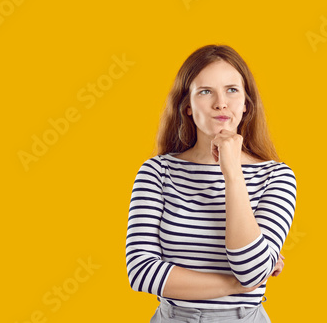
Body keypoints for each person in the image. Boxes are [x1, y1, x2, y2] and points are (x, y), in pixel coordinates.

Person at [125, 44, 297, 322]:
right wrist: (237, 285)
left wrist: (231, 171)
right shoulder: (156, 172)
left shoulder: (276, 177)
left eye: (232, 90)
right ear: (188, 107)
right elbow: (142, 272)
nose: (221, 103)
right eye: (206, 91)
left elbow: (250, 269)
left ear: (246, 105)